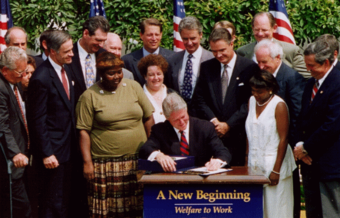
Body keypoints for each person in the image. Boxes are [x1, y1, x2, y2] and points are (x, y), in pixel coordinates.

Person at [76, 51, 154, 217]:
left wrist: (151, 149)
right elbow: (83, 131)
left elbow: (148, 118)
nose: (117, 76)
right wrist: (87, 162)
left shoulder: (134, 87)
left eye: (119, 72)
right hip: (105, 165)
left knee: (137, 208)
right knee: (108, 212)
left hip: (136, 161)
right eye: (111, 73)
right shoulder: (89, 96)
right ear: (102, 74)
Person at [26, 30, 76, 218]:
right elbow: (37, 119)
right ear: (53, 52)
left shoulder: (66, 68)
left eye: (71, 49)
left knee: (64, 199)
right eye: (67, 51)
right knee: (51, 202)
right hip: (52, 153)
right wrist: (47, 153)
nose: (72, 54)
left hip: (68, 148)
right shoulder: (41, 78)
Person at [193, 28, 259, 166]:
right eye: (214, 51)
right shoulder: (207, 67)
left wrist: (229, 125)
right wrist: (214, 122)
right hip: (212, 136)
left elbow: (250, 101)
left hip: (238, 136)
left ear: (231, 44)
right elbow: (199, 99)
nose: (218, 55)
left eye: (222, 50)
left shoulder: (249, 67)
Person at [254, 39, 305, 218]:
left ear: (277, 58)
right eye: (258, 61)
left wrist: (296, 148)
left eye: (264, 62)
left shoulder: (292, 77)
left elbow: (298, 116)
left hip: (286, 151)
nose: (261, 66)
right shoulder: (258, 78)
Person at [294, 39, 340, 218]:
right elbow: (302, 118)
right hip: (310, 166)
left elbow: (333, 125)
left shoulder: (337, 83)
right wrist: (299, 144)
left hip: (330, 166)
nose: (308, 69)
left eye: (311, 65)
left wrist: (306, 148)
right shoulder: (310, 84)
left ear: (326, 62)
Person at [246, 70, 296, 218]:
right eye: (253, 90)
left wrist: (276, 171)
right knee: (258, 209)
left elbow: (283, 139)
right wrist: (246, 159)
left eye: (259, 92)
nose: (255, 94)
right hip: (254, 164)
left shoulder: (279, 105)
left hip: (275, 165)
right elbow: (250, 133)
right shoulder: (251, 101)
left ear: (270, 89)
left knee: (276, 210)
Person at [139, 92, 231, 172]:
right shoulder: (160, 130)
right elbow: (145, 148)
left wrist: (217, 161)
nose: (182, 122)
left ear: (186, 110)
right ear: (167, 118)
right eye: (176, 120)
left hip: (201, 181)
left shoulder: (204, 127)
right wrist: (159, 155)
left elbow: (223, 152)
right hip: (173, 181)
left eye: (183, 117)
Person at [0, 46, 31, 218]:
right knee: (19, 209)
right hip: (10, 162)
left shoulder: (13, 84)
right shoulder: (1, 88)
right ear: (5, 70)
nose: (24, 76)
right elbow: (2, 125)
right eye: (20, 72)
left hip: (22, 159)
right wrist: (16, 153)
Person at [236, 12, 308, 79]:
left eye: (264, 30)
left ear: (274, 28)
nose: (260, 34)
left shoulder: (291, 51)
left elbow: (305, 77)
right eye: (257, 30)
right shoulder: (242, 52)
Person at [167, 16, 213, 115]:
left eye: (193, 38)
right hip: (179, 115)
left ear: (200, 35)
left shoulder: (212, 59)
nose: (189, 43)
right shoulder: (172, 60)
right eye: (185, 39)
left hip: (205, 117)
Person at [67, 15, 110, 104]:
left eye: (104, 41)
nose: (101, 45)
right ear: (86, 33)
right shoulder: (68, 55)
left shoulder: (105, 55)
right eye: (98, 40)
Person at [122, 18, 174, 86]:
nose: (154, 39)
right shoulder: (127, 61)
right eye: (150, 35)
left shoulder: (172, 58)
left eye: (157, 35)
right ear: (141, 35)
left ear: (161, 35)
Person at [138, 54, 171, 124]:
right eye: (151, 75)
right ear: (145, 76)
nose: (156, 78)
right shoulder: (140, 96)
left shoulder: (172, 93)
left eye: (159, 74)